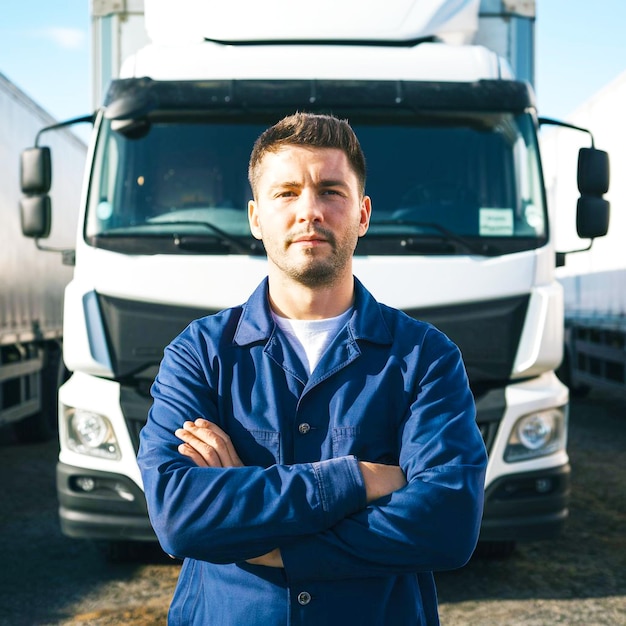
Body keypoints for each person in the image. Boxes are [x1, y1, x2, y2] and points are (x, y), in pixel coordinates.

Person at [137, 112, 488, 626]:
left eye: (330, 191)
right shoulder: (200, 354)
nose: (310, 211)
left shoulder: (425, 358)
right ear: (256, 218)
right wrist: (358, 479)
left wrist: (263, 532)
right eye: (286, 193)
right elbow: (180, 515)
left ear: (363, 214)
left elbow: (447, 525)